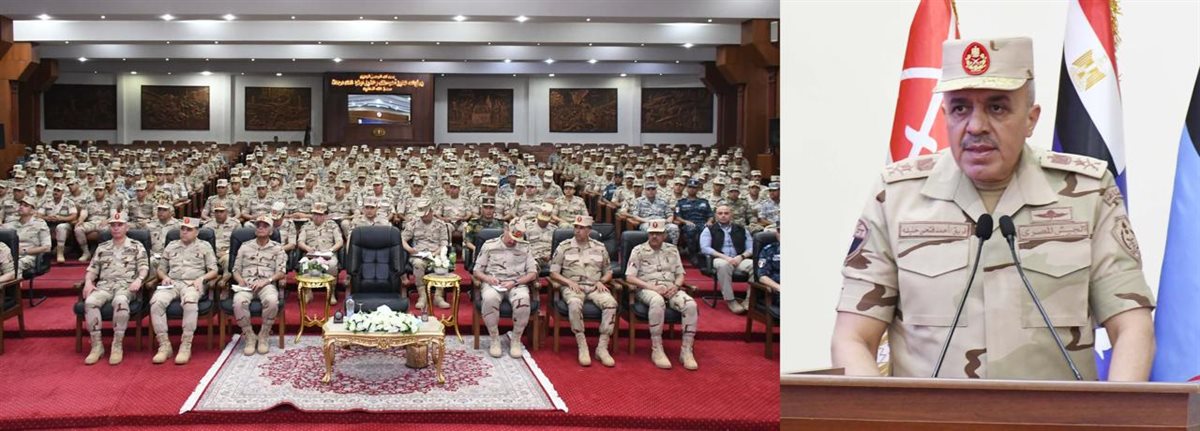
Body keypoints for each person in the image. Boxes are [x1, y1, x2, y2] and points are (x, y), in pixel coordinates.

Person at [832, 36, 1156, 381]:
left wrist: (1117, 410)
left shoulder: (1088, 193)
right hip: (930, 413)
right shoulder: (897, 197)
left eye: (997, 108)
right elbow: (853, 338)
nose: (976, 126)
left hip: (1056, 412)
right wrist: (878, 410)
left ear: (1031, 119)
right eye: (960, 108)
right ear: (945, 116)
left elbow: (1132, 327)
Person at [625, 219, 698, 370]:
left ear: (664, 235)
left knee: (690, 304)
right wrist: (651, 287)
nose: (654, 236)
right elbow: (630, 277)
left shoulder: (672, 250)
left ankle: (686, 351)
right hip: (647, 289)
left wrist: (676, 286)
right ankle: (657, 349)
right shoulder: (638, 250)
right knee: (657, 301)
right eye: (651, 233)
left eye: (658, 234)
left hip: (671, 288)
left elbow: (680, 274)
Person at [81, 211, 148, 365]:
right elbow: (92, 269)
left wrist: (139, 280)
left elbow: (144, 267)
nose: (116, 228)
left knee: (120, 301)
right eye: (113, 225)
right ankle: (97, 346)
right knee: (90, 302)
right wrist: (88, 282)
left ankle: (117, 345)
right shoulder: (102, 247)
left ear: (127, 227)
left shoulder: (136, 246)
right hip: (104, 286)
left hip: (126, 286)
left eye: (120, 225)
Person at [549, 215, 617, 367]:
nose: (577, 230)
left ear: (589, 230)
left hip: (595, 286)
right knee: (574, 303)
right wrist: (568, 282)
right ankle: (582, 345)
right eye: (576, 227)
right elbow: (553, 273)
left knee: (611, 303)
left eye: (582, 228)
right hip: (573, 286)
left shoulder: (600, 247)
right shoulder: (564, 247)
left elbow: (609, 271)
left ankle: (602, 347)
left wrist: (602, 281)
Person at [151, 217, 218, 365]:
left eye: (189, 229)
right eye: (183, 229)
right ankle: (164, 345)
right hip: (173, 283)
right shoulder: (171, 246)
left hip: (193, 283)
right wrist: (164, 277)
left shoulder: (204, 246)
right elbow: (161, 269)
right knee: (156, 302)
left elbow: (214, 270)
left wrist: (201, 279)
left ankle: (186, 345)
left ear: (197, 232)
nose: (185, 232)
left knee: (190, 301)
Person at [473, 225, 538, 358]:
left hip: (516, 283)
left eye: (516, 239)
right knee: (489, 298)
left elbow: (532, 273)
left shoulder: (525, 247)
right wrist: (488, 279)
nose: (513, 241)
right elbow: (477, 271)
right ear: (505, 229)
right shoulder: (490, 245)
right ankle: (494, 339)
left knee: (523, 300)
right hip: (494, 283)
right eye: (511, 237)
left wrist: (514, 282)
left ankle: (516, 339)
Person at [231, 215, 288, 356]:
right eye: (258, 225)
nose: (261, 228)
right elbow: (235, 269)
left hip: (266, 283)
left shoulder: (277, 248)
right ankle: (249, 335)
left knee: (272, 301)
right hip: (246, 283)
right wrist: (240, 280)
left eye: (265, 226)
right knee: (238, 302)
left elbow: (281, 272)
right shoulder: (245, 246)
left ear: (271, 231)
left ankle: (264, 334)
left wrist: (267, 280)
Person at [402, 198, 451, 310]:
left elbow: (444, 244)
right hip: (419, 254)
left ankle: (438, 296)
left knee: (442, 263)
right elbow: (402, 239)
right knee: (418, 264)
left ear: (431, 211)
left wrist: (435, 254)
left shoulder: (441, 225)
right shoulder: (413, 224)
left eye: (425, 214)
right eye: (422, 215)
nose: (423, 217)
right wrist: (409, 249)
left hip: (436, 253)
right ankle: (422, 296)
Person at [297, 202, 343, 304]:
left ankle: (331, 293)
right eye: (314, 214)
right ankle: (308, 292)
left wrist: (331, 250)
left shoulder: (332, 225)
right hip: (312, 254)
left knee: (332, 265)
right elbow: (300, 242)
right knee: (304, 264)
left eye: (320, 214)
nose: (316, 217)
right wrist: (307, 248)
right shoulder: (306, 226)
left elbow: (339, 242)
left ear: (325, 215)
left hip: (328, 254)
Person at [6, 196, 50, 275]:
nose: (21, 207)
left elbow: (47, 248)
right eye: (21, 205)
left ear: (32, 211)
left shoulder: (40, 224)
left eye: (25, 206)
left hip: (29, 256)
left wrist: (24, 251)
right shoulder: (10, 223)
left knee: (13, 266)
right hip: (9, 255)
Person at [73, 185, 118, 262]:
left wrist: (107, 221)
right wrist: (81, 220)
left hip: (104, 222)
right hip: (91, 222)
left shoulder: (110, 201)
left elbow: (114, 215)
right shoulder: (88, 201)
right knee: (78, 229)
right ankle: (86, 252)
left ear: (104, 191)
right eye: (96, 190)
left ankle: (104, 252)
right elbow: (84, 213)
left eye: (100, 190)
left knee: (106, 231)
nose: (98, 192)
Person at [675, 179, 714, 259]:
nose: (692, 189)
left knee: (706, 229)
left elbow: (711, 215)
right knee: (691, 229)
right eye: (690, 187)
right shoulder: (681, 202)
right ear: (687, 188)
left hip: (702, 223)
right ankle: (692, 254)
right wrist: (685, 221)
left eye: (694, 187)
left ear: (697, 189)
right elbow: (677, 216)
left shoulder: (704, 202)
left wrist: (709, 221)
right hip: (688, 224)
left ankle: (704, 253)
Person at [40, 184, 78, 262]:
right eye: (55, 190)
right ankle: (42, 252)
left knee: (61, 227)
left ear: (62, 192)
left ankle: (60, 253)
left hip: (65, 224)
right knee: (39, 225)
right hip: (49, 224)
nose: (56, 192)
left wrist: (61, 218)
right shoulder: (47, 201)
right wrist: (47, 218)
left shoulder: (68, 202)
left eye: (58, 191)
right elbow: (38, 215)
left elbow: (74, 216)